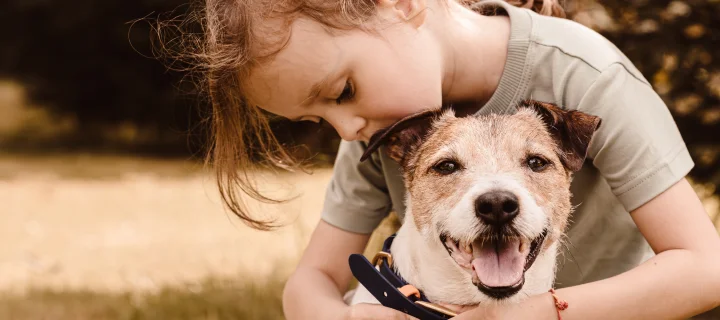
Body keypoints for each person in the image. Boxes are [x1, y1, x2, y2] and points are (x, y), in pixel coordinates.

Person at [180, 0, 720, 318]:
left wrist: (529, 315)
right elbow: (309, 282)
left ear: (400, 6)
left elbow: (707, 268)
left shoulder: (587, 74)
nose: (346, 129)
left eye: (341, 90)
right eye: (317, 118)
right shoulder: (382, 124)